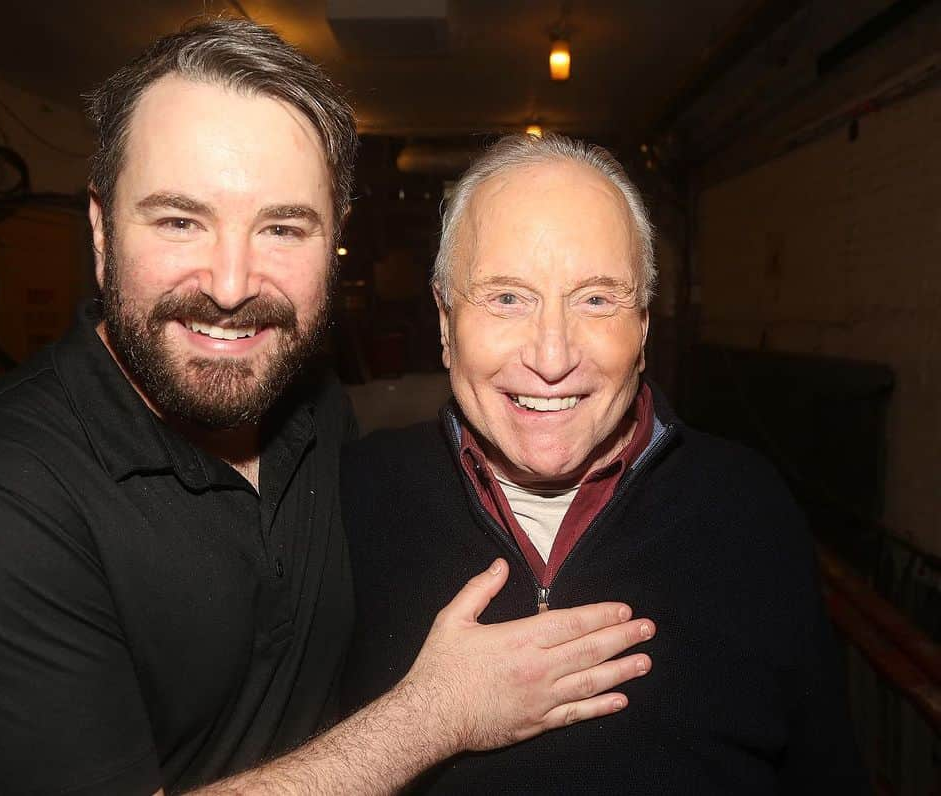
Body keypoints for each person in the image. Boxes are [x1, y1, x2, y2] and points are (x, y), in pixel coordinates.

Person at [0, 20, 656, 796]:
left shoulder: (308, 406)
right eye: (180, 220)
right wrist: (434, 715)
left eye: (283, 227)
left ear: (334, 243)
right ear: (101, 229)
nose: (229, 283)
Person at [340, 133, 869, 793]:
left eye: (595, 299)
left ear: (643, 329)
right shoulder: (350, 499)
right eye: (507, 298)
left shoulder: (749, 507)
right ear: (446, 322)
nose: (553, 355)